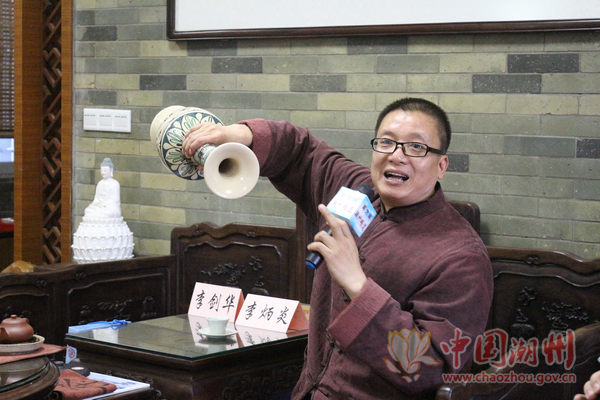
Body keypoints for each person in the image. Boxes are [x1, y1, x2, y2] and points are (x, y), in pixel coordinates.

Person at [182, 97, 493, 399]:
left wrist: (358, 285)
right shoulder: (355, 191)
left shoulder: (461, 256)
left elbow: (431, 370)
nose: (396, 156)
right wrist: (239, 134)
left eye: (416, 147)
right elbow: (300, 152)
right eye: (386, 142)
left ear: (441, 165)